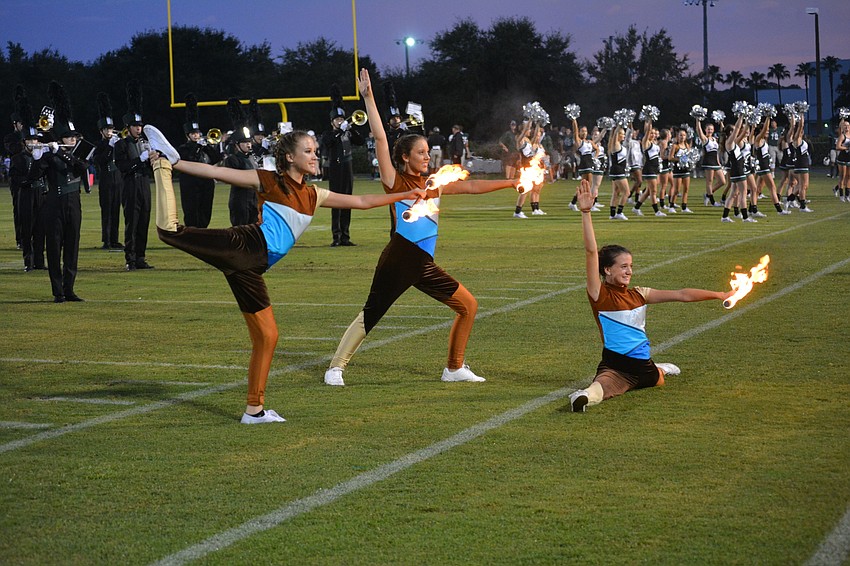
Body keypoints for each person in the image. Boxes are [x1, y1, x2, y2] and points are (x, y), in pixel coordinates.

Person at [142, 124, 426, 424]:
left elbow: (362, 202)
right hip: (243, 247)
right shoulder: (269, 181)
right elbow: (217, 173)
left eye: (315, 151)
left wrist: (405, 193)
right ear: (289, 157)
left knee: (268, 336)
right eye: (308, 151)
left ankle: (254, 411)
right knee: (170, 231)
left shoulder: (315, 194)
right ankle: (162, 163)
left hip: (252, 269)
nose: (315, 156)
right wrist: (176, 163)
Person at [323, 69, 520, 387]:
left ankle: (454, 368)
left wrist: (512, 181)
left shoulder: (434, 183)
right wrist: (369, 99)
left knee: (468, 306)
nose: (428, 157)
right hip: (400, 257)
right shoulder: (395, 181)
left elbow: (469, 188)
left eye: (429, 152)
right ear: (405, 157)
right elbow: (379, 139)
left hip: (423, 264)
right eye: (422, 153)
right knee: (371, 314)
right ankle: (335, 368)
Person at [568, 179, 732, 412]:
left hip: (643, 366)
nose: (629, 271)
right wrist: (586, 212)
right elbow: (591, 251)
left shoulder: (639, 294)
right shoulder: (599, 294)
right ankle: (582, 396)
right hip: (616, 365)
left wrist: (719, 294)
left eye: (631, 266)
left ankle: (659, 369)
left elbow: (682, 295)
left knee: (657, 380)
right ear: (607, 270)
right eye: (623, 266)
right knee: (600, 388)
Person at [35, 81, 89, 302]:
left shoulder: (77, 153)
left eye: (75, 137)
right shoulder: (49, 154)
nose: (74, 140)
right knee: (55, 247)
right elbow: (34, 175)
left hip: (73, 202)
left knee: (72, 246)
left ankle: (69, 288)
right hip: (54, 203)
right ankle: (57, 290)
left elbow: (80, 167)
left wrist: (61, 152)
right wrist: (39, 155)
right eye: (69, 137)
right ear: (60, 138)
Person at [114, 80, 154, 271]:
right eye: (135, 126)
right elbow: (123, 167)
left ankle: (141, 257)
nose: (139, 128)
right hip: (130, 185)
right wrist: (140, 159)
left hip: (144, 184)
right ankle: (130, 258)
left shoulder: (146, 143)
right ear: (128, 127)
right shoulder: (121, 145)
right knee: (132, 222)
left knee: (144, 221)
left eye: (140, 125)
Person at [321, 85, 364, 247]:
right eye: (337, 120)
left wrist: (352, 130)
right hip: (336, 168)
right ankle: (336, 237)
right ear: (332, 121)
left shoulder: (347, 132)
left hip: (348, 167)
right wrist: (340, 131)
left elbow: (359, 141)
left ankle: (346, 236)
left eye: (341, 119)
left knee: (348, 201)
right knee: (336, 202)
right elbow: (328, 143)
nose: (340, 122)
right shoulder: (329, 134)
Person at [10, 97, 47, 272]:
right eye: (31, 141)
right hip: (25, 194)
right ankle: (28, 261)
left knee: (41, 228)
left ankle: (40, 261)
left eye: (36, 140)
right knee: (27, 229)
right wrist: (28, 180)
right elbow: (16, 179)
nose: (35, 143)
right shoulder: (17, 158)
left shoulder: (42, 156)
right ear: (25, 142)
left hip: (40, 193)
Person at [176, 93, 221, 228]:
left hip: (206, 183)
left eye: (197, 133)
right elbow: (189, 159)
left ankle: (203, 231)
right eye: (193, 134)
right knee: (191, 210)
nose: (197, 136)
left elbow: (216, 159)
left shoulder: (204, 147)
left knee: (205, 209)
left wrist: (208, 147)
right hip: (190, 184)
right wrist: (197, 147)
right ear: (188, 135)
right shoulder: (182, 149)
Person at [91, 92, 124, 249]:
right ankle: (107, 240)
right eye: (107, 129)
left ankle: (115, 239)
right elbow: (100, 161)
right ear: (101, 131)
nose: (110, 132)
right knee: (107, 210)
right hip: (106, 181)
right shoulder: (100, 145)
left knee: (116, 210)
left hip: (118, 180)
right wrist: (110, 147)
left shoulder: (118, 143)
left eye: (111, 129)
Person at [223, 98, 259, 226]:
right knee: (240, 229)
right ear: (237, 145)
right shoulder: (232, 159)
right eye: (245, 143)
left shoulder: (251, 157)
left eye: (249, 142)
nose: (249, 145)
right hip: (240, 199)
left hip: (254, 198)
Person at [513, 120, 546, 218]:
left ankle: (522, 211)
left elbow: (536, 134)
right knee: (525, 190)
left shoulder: (529, 141)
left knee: (531, 189)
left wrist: (538, 123)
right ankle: (517, 212)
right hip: (526, 167)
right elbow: (521, 137)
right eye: (528, 129)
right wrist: (529, 121)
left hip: (532, 167)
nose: (529, 130)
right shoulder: (520, 139)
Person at [695, 118, 726, 207]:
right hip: (708, 162)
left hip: (716, 162)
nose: (710, 131)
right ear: (705, 130)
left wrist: (721, 123)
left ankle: (707, 194)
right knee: (709, 181)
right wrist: (698, 120)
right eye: (708, 129)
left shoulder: (714, 139)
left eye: (711, 129)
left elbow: (723, 134)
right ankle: (712, 202)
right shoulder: (705, 139)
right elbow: (698, 130)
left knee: (722, 181)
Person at [607, 124, 630, 220]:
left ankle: (612, 215)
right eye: (622, 134)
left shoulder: (618, 145)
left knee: (616, 192)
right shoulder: (615, 145)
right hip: (618, 171)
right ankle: (619, 213)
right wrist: (618, 126)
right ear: (618, 135)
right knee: (627, 192)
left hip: (616, 171)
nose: (624, 136)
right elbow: (614, 135)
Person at [834, 118, 849, 202]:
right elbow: (838, 147)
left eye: (848, 126)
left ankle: (847, 194)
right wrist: (846, 148)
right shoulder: (842, 136)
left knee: (849, 177)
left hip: (849, 158)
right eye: (845, 126)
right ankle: (841, 195)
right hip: (842, 158)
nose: (847, 127)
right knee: (842, 176)